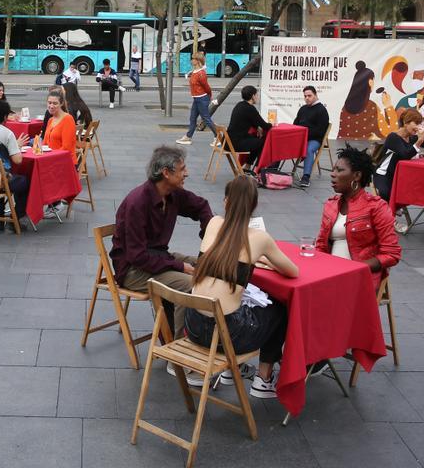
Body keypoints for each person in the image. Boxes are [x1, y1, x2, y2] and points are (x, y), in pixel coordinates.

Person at [189, 175, 299, 398]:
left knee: (240, 301)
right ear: (254, 205)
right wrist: (267, 260)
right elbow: (293, 271)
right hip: (229, 337)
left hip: (194, 328)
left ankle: (233, 370)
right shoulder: (260, 238)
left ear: (225, 202)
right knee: (280, 307)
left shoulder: (213, 223)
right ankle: (264, 378)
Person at [110, 145, 214, 343]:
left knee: (209, 266)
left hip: (158, 258)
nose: (187, 173)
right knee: (190, 285)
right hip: (134, 270)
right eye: (182, 169)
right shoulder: (137, 202)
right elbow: (137, 257)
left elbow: (202, 206)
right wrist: (180, 266)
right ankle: (178, 350)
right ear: (166, 173)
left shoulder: (173, 193)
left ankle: (198, 338)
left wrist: (207, 237)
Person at [315, 147, 402, 290]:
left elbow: (392, 254)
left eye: (339, 170)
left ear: (357, 176)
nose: (333, 174)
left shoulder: (376, 207)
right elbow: (321, 246)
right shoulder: (331, 205)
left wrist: (354, 268)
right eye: (333, 169)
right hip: (329, 273)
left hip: (359, 278)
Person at [372, 109, 424, 202]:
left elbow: (412, 153)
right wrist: (419, 141)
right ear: (406, 123)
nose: (418, 127)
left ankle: (394, 208)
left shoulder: (412, 138)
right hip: (384, 175)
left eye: (420, 124)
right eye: (416, 123)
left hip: (399, 176)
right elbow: (405, 154)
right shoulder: (393, 137)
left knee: (419, 190)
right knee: (386, 194)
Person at [293, 86, 331, 188]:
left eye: (309, 96)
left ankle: (306, 177)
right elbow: (295, 124)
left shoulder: (321, 110)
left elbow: (320, 131)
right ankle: (273, 169)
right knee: (283, 143)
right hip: (301, 138)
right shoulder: (303, 109)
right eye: (305, 96)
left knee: (309, 149)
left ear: (316, 95)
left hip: (314, 139)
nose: (307, 98)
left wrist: (305, 135)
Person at [176, 52, 215, 146]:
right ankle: (188, 137)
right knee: (192, 118)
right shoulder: (195, 71)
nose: (191, 60)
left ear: (197, 61)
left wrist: (209, 96)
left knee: (206, 118)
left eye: (193, 59)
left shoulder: (201, 74)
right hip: (197, 99)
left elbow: (207, 87)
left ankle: (218, 136)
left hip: (202, 98)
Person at [338, 61, 385, 140]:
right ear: (370, 82)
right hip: (366, 148)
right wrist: (388, 106)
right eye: (373, 80)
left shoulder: (345, 107)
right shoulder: (372, 106)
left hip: (344, 147)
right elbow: (385, 131)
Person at [226, 85, 270, 169]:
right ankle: (259, 169)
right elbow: (265, 125)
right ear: (253, 96)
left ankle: (248, 166)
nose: (257, 97)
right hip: (235, 144)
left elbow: (253, 121)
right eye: (257, 95)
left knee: (256, 139)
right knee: (263, 142)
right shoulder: (250, 109)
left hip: (228, 141)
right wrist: (272, 124)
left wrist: (257, 127)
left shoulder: (240, 105)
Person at [43, 87, 77, 153]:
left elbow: (66, 148)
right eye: (49, 103)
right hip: (50, 157)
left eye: (55, 103)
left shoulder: (68, 119)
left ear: (61, 104)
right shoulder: (50, 120)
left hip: (63, 159)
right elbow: (45, 144)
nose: (51, 106)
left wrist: (50, 155)